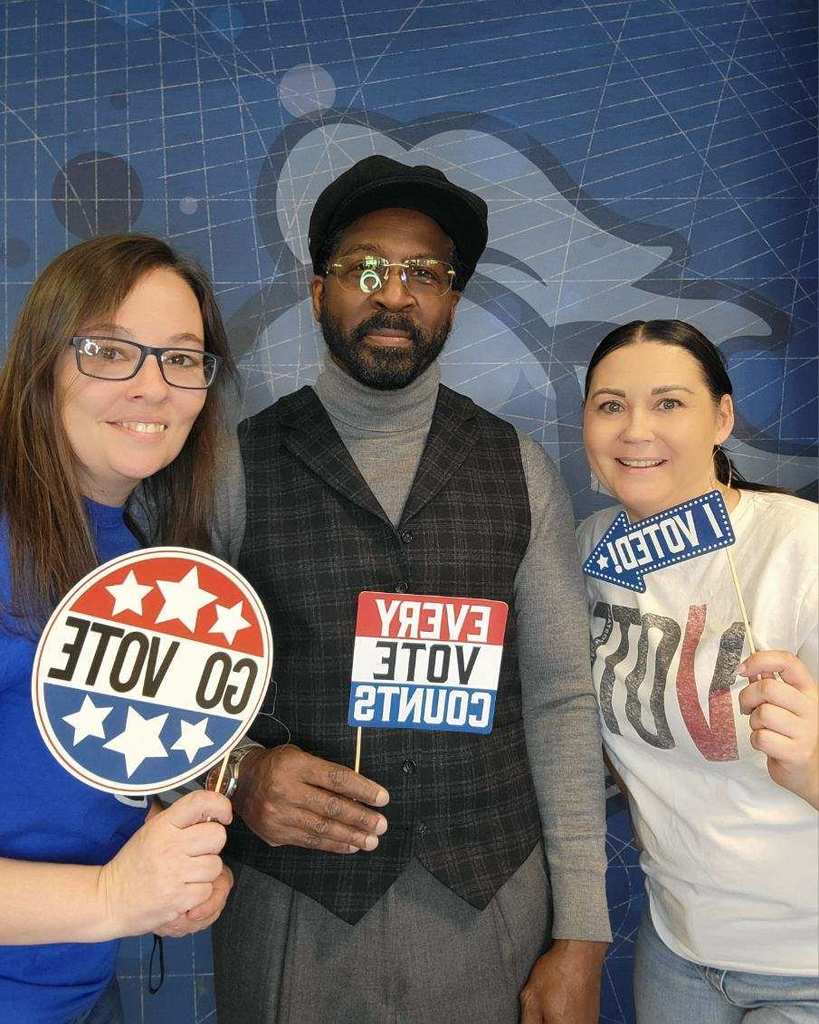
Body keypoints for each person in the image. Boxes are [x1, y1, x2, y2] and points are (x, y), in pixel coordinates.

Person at [209, 155, 611, 1024]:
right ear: (319, 291)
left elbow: (561, 699)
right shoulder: (231, 467)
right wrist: (238, 775)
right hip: (290, 908)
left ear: (453, 300)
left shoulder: (517, 466)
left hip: (488, 904)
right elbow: (168, 696)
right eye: (365, 269)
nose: (394, 295)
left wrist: (582, 932)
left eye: (424, 273)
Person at [0, 234, 237, 1024]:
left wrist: (163, 867)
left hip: (78, 996)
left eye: (181, 358)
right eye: (109, 350)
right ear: (45, 358)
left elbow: (55, 784)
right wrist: (111, 895)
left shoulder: (134, 558)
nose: (153, 387)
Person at [577, 319, 819, 1024]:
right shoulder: (591, 551)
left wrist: (809, 762)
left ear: (721, 417)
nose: (635, 430)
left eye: (668, 403)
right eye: (609, 405)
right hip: (676, 947)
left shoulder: (802, 548)